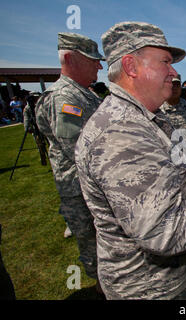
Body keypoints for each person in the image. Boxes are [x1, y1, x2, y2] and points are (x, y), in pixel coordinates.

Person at [75, 21, 186, 300]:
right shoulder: (121, 132)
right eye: (165, 62)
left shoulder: (145, 115)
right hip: (148, 288)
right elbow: (165, 229)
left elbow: (178, 149)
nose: (174, 72)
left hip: (168, 279)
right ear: (131, 66)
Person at [35, 32, 104, 293]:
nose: (100, 65)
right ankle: (103, 289)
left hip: (93, 183)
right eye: (93, 60)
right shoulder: (64, 98)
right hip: (80, 188)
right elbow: (78, 150)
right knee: (91, 240)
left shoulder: (86, 95)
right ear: (69, 58)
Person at [158, 74, 186, 139]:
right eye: (172, 84)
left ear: (181, 88)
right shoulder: (156, 108)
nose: (175, 88)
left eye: (177, 85)